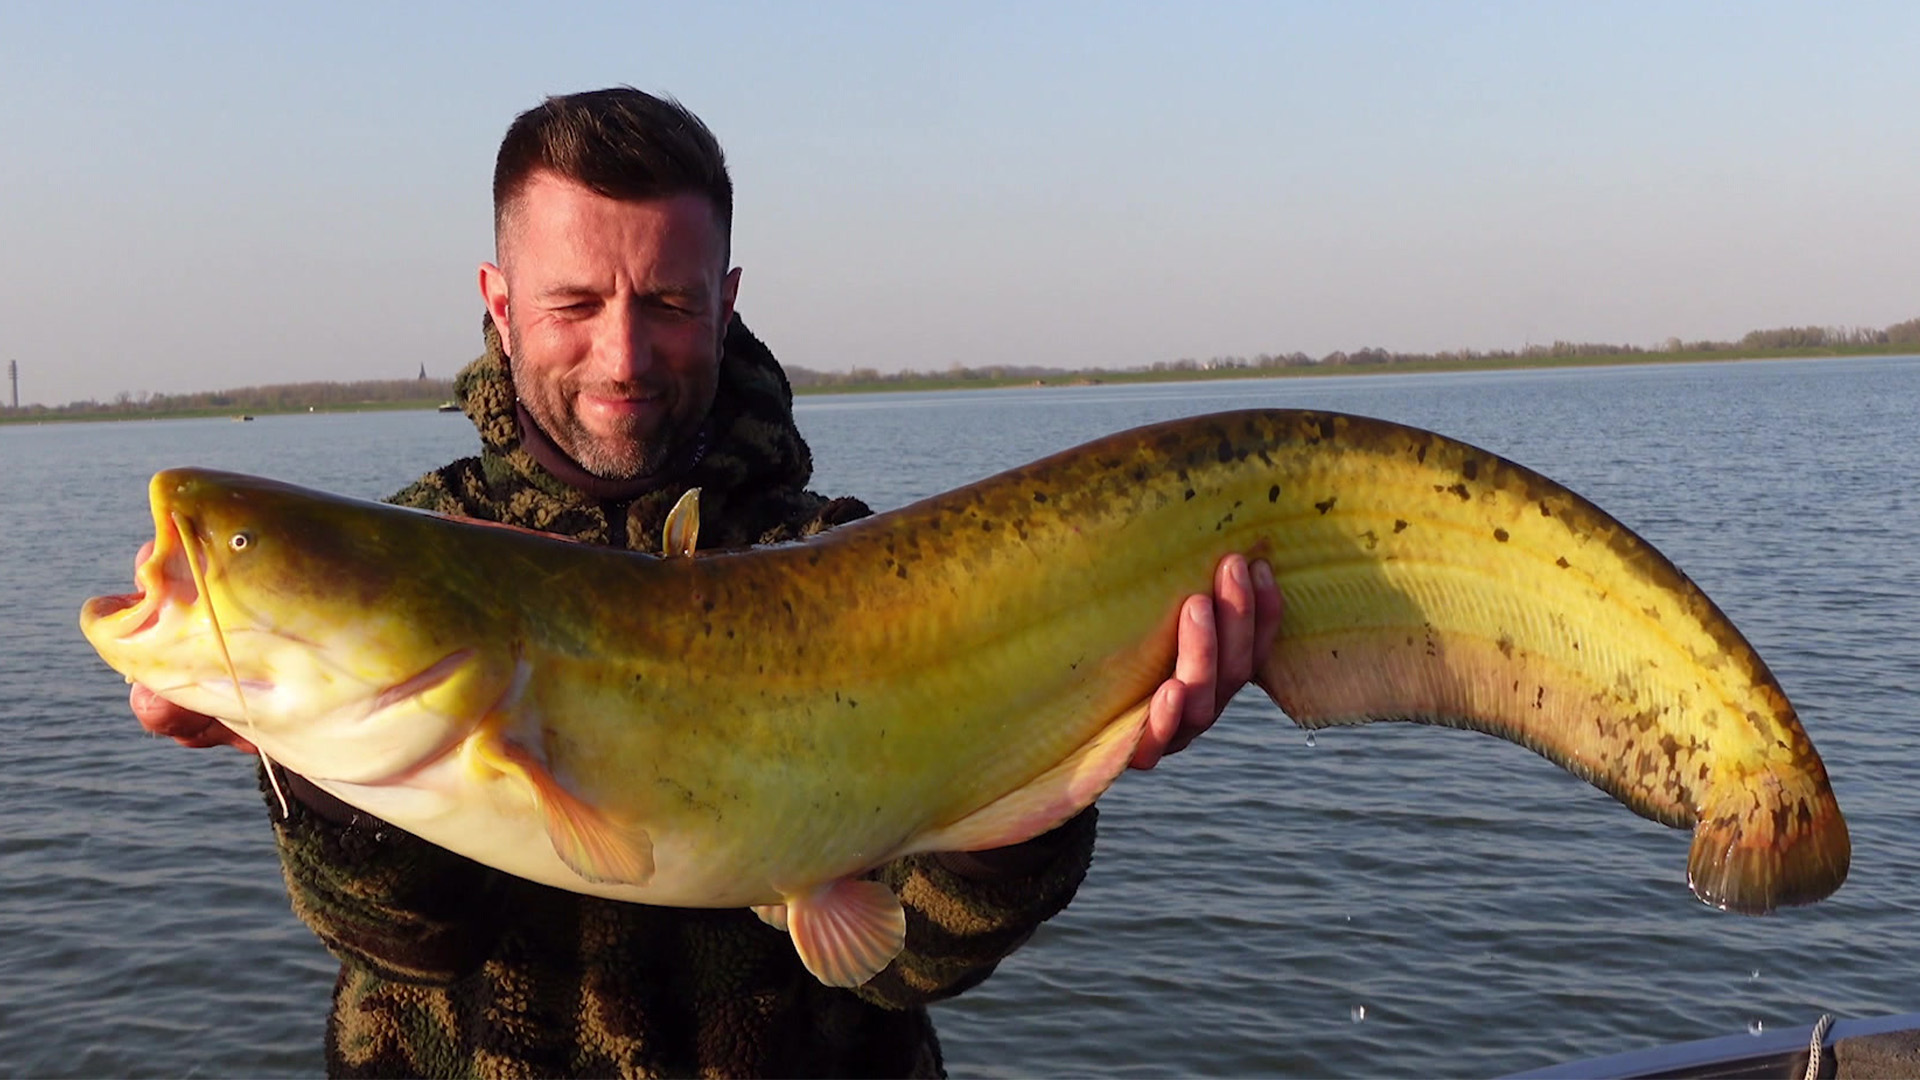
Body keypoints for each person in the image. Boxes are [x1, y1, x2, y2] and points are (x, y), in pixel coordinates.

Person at [131, 88, 1282, 1078]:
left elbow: (911, 956)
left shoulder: (851, 567)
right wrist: (308, 770)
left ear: (727, 301)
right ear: (497, 300)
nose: (623, 356)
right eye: (574, 303)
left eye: (669, 306)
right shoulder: (413, 555)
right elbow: (405, 943)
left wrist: (1056, 767)